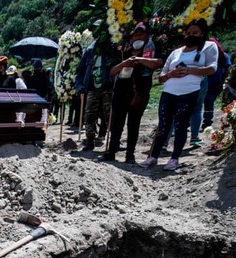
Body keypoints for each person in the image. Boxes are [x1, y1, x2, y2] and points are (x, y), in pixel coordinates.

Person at [139, 18, 218, 171]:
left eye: (194, 33)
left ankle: (174, 158)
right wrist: (172, 74)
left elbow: (212, 68)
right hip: (169, 92)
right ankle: (153, 157)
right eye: (188, 33)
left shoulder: (209, 47)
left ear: (202, 34)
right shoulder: (176, 52)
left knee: (181, 125)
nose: (190, 35)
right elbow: (161, 77)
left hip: (189, 91)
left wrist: (190, 70)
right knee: (163, 125)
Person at [99, 22, 163, 164]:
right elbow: (112, 71)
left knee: (133, 124)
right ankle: (111, 151)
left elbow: (158, 63)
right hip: (120, 91)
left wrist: (140, 60)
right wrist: (124, 63)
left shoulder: (151, 51)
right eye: (135, 35)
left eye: (141, 34)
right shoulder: (124, 51)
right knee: (116, 123)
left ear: (147, 37)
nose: (137, 37)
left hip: (138, 94)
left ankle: (130, 154)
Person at [75, 21, 120, 150]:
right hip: (92, 87)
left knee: (109, 115)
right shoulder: (89, 51)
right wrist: (79, 87)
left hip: (107, 87)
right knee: (89, 114)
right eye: (95, 30)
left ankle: (114, 141)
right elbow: (80, 70)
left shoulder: (112, 49)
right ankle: (90, 140)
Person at [202, 39, 231, 129]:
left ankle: (204, 122)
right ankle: (207, 122)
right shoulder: (224, 56)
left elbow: (227, 69)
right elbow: (227, 69)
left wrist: (223, 80)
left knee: (202, 103)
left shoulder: (207, 55)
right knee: (209, 102)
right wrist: (222, 80)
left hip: (211, 83)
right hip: (215, 82)